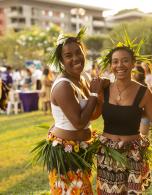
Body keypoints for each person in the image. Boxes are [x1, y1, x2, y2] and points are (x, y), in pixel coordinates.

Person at [32, 28, 107, 194]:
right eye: (68, 55)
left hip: (81, 150)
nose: (75, 58)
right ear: (61, 61)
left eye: (78, 52)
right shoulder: (63, 86)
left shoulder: (83, 78)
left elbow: (91, 115)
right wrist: (94, 93)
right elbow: (79, 122)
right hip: (65, 153)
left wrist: (100, 95)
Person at [96, 36, 152, 194]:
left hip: (133, 154)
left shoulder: (143, 92)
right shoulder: (104, 89)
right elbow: (92, 116)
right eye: (115, 61)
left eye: (125, 60)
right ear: (111, 65)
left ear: (133, 63)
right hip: (108, 153)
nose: (120, 65)